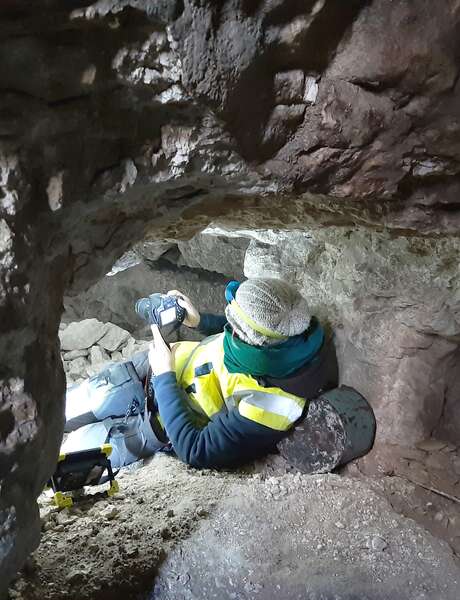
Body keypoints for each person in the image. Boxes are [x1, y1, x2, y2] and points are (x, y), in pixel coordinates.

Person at [147, 277, 338, 469]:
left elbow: (196, 450)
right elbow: (244, 331)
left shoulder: (272, 405)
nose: (231, 325)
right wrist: (201, 322)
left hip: (165, 412)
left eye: (234, 321)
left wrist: (164, 377)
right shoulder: (290, 335)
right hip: (170, 362)